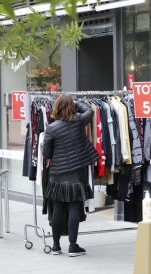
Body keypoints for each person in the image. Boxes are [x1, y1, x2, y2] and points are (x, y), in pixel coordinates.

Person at [43, 94, 99, 257]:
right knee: (75, 206)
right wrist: (77, 102)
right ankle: (73, 246)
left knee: (58, 208)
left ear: (56, 108)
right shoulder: (79, 121)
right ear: (71, 107)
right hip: (76, 173)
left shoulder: (51, 128)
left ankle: (55, 246)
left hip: (57, 175)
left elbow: (46, 154)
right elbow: (90, 110)